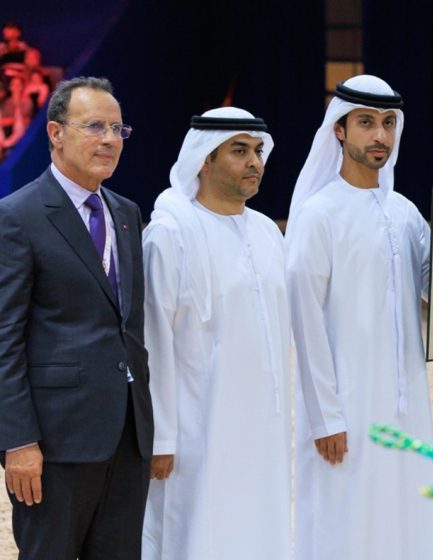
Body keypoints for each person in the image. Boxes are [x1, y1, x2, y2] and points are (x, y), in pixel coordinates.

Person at [286, 74, 433, 559]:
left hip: (406, 404)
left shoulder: (407, 213)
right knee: (342, 519)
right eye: (366, 123)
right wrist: (325, 416)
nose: (381, 136)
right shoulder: (318, 214)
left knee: (404, 516)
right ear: (339, 131)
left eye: (389, 123)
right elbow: (304, 321)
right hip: (344, 407)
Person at [0, 76, 152, 558]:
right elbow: (4, 339)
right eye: (94, 127)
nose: (109, 139)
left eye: (117, 129)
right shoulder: (17, 216)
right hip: (55, 445)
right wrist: (17, 441)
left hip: (128, 438)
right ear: (55, 133)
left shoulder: (126, 213)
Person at [140, 107, 292, 559]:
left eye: (258, 151)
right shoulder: (170, 234)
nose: (255, 163)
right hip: (195, 430)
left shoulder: (267, 231)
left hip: (261, 426)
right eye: (239, 151)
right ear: (204, 159)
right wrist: (161, 438)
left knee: (256, 529)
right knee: (196, 533)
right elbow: (154, 341)